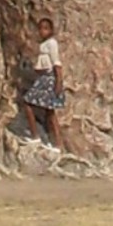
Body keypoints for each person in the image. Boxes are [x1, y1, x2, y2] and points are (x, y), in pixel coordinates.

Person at [22, 17, 65, 150]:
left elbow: (56, 63)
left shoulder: (52, 43)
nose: (42, 31)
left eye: (45, 28)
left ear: (51, 30)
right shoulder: (44, 44)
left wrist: (58, 82)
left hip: (49, 78)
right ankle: (56, 144)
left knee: (29, 103)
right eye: (40, 28)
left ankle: (37, 137)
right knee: (49, 112)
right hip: (43, 77)